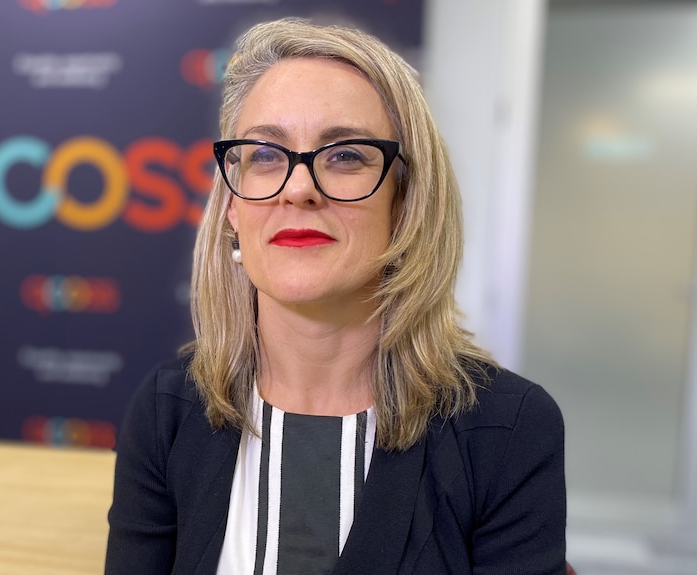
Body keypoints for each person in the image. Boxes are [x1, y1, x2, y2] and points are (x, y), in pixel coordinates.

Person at [105, 17, 567, 575]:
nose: (298, 189)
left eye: (346, 155)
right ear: (232, 205)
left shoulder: (507, 429)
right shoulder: (168, 412)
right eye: (266, 155)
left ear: (406, 203)